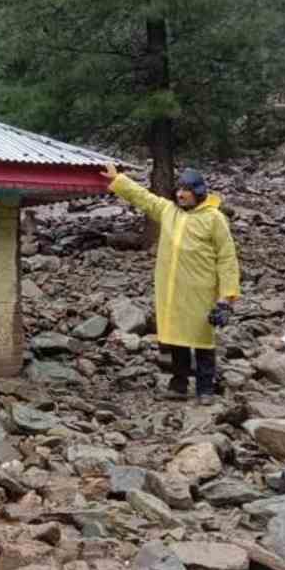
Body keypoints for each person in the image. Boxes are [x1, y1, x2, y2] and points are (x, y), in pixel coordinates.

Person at [100, 163, 240, 404]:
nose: (180, 194)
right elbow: (144, 198)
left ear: (199, 192)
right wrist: (118, 180)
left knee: (202, 339)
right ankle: (179, 385)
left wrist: (226, 297)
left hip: (201, 290)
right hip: (172, 290)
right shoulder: (169, 211)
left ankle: (205, 388)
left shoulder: (214, 218)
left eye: (186, 190)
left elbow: (227, 258)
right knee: (176, 337)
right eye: (179, 189)